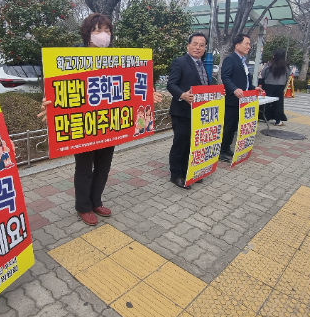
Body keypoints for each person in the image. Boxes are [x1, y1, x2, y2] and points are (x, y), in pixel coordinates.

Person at [38, 14, 163, 225]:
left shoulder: (118, 58)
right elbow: (58, 87)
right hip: (85, 124)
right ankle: (83, 206)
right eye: (97, 31)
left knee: (104, 166)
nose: (103, 35)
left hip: (109, 122)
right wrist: (48, 102)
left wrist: (145, 95)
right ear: (87, 34)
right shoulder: (72, 57)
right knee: (85, 167)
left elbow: (129, 85)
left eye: (107, 30)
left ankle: (96, 200)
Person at [167, 33, 211, 189]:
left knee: (191, 144)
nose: (198, 47)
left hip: (197, 112)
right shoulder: (180, 62)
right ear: (188, 45)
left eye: (201, 45)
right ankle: (176, 175)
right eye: (195, 44)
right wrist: (182, 95)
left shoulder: (202, 64)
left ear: (205, 48)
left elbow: (204, 87)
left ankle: (188, 172)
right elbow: (171, 84)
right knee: (180, 144)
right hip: (182, 111)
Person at [219, 34, 260, 162]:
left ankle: (226, 148)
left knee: (233, 127)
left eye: (249, 44)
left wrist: (254, 88)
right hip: (232, 100)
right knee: (227, 126)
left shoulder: (243, 61)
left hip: (242, 100)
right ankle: (219, 151)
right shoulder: (230, 59)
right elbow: (225, 77)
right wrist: (234, 89)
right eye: (246, 43)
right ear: (237, 45)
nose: (249, 46)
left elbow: (245, 81)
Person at [259, 50, 292, 127]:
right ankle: (278, 121)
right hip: (280, 86)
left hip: (268, 85)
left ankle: (263, 117)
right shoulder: (286, 66)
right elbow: (288, 75)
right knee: (278, 104)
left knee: (266, 102)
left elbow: (263, 74)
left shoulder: (269, 65)